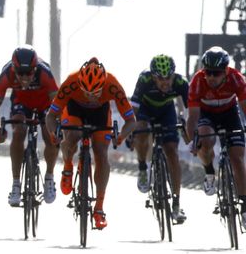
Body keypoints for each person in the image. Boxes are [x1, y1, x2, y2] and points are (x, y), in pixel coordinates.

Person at [45, 58, 136, 230]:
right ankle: (67, 167)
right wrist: (53, 133)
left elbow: (131, 120)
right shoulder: (71, 81)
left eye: (95, 92)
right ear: (79, 83)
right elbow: (51, 116)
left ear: (103, 85)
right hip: (74, 109)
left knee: (101, 153)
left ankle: (99, 208)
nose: (90, 96)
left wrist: (122, 136)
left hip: (100, 113)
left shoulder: (112, 84)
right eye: (86, 92)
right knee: (72, 136)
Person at [0, 46, 59, 205]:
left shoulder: (44, 73)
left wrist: (57, 126)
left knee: (50, 136)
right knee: (19, 131)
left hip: (45, 104)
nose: (25, 77)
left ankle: (49, 177)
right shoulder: (6, 74)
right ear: (14, 68)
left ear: (35, 69)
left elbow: (58, 104)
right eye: (20, 73)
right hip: (21, 102)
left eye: (29, 73)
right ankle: (16, 184)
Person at [187, 47, 246, 228]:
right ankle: (209, 171)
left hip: (230, 113)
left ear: (226, 71)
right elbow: (193, 117)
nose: (211, 77)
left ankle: (244, 206)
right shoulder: (197, 81)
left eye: (216, 73)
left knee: (237, 158)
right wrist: (192, 140)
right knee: (205, 139)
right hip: (207, 114)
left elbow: (244, 106)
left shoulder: (237, 78)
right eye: (208, 72)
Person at [129, 54, 189, 223]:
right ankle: (142, 168)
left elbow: (192, 110)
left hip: (166, 111)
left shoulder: (180, 82)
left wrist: (187, 127)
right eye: (160, 79)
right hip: (145, 110)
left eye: (168, 78)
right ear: (153, 77)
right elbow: (133, 110)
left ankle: (176, 204)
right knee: (142, 130)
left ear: (173, 75)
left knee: (172, 152)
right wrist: (133, 132)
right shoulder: (144, 79)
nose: (165, 83)